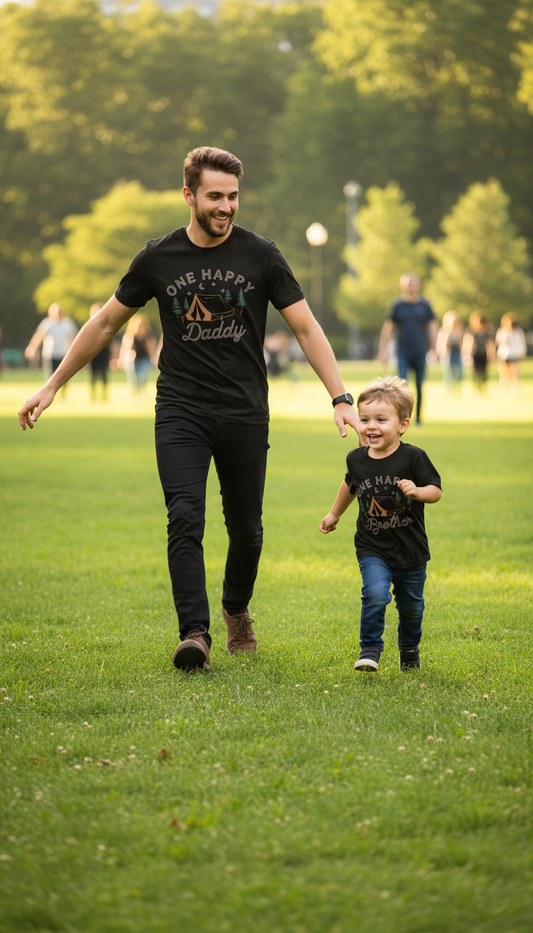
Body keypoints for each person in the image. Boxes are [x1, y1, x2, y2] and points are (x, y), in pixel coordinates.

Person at [18, 146, 359, 672]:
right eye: (215, 196)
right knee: (184, 517)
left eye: (233, 196)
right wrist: (53, 385)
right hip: (181, 410)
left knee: (247, 529)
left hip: (245, 410)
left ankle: (235, 609)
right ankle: (194, 633)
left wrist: (340, 398)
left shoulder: (261, 255)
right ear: (189, 195)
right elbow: (106, 323)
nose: (226, 206)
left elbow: (306, 327)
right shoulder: (158, 257)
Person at [319, 376, 441, 672]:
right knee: (374, 593)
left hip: (411, 550)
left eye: (381, 419)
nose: (371, 426)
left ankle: (409, 650)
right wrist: (334, 514)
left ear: (402, 424)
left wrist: (417, 491)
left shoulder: (414, 457)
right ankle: (370, 648)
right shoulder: (356, 459)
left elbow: (435, 491)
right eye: (364, 419)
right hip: (372, 546)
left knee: (412, 608)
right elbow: (350, 486)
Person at [377, 273, 439, 426]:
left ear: (418, 285)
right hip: (403, 351)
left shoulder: (425, 305)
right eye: (408, 283)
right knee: (402, 387)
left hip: (420, 351)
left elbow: (432, 327)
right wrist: (383, 351)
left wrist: (434, 349)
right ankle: (402, 418)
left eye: (413, 282)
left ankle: (418, 419)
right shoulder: (397, 305)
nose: (411, 285)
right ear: (402, 285)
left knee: (419, 385)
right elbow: (389, 328)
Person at [24, 303, 78, 382]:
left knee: (64, 376)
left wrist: (73, 352)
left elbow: (72, 338)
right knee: (50, 376)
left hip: (64, 354)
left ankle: (63, 392)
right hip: (50, 354)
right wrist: (32, 348)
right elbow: (39, 337)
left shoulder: (68, 323)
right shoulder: (47, 323)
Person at [117, 313, 157, 399]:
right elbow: (124, 349)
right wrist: (121, 359)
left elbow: (152, 350)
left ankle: (141, 394)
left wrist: (154, 360)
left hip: (144, 359)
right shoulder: (129, 336)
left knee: (143, 377)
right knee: (133, 379)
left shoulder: (148, 337)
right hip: (132, 360)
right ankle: (134, 394)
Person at [461, 313, 495, 393]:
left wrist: (492, 355)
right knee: (475, 373)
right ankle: (476, 388)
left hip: (484, 354)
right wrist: (467, 355)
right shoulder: (471, 331)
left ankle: (483, 388)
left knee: (484, 372)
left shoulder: (487, 332)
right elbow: (467, 343)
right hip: (475, 354)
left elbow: (490, 344)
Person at [495, 313, 527, 394]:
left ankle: (515, 390)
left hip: (515, 354)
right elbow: (499, 342)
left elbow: (522, 343)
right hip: (504, 355)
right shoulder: (502, 331)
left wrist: (522, 352)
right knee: (504, 374)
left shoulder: (518, 331)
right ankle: (505, 390)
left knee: (514, 373)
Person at [87, 303, 111, 400]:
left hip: (104, 356)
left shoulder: (108, 324)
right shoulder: (88, 326)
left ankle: (104, 395)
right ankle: (93, 395)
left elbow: (112, 343)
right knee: (92, 377)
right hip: (92, 356)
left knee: (104, 377)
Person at [436, 311, 464, 393]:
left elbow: (462, 343)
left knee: (459, 371)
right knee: (449, 373)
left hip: (457, 352)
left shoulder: (459, 330)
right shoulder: (444, 330)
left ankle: (457, 388)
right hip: (448, 353)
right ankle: (449, 389)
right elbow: (442, 343)